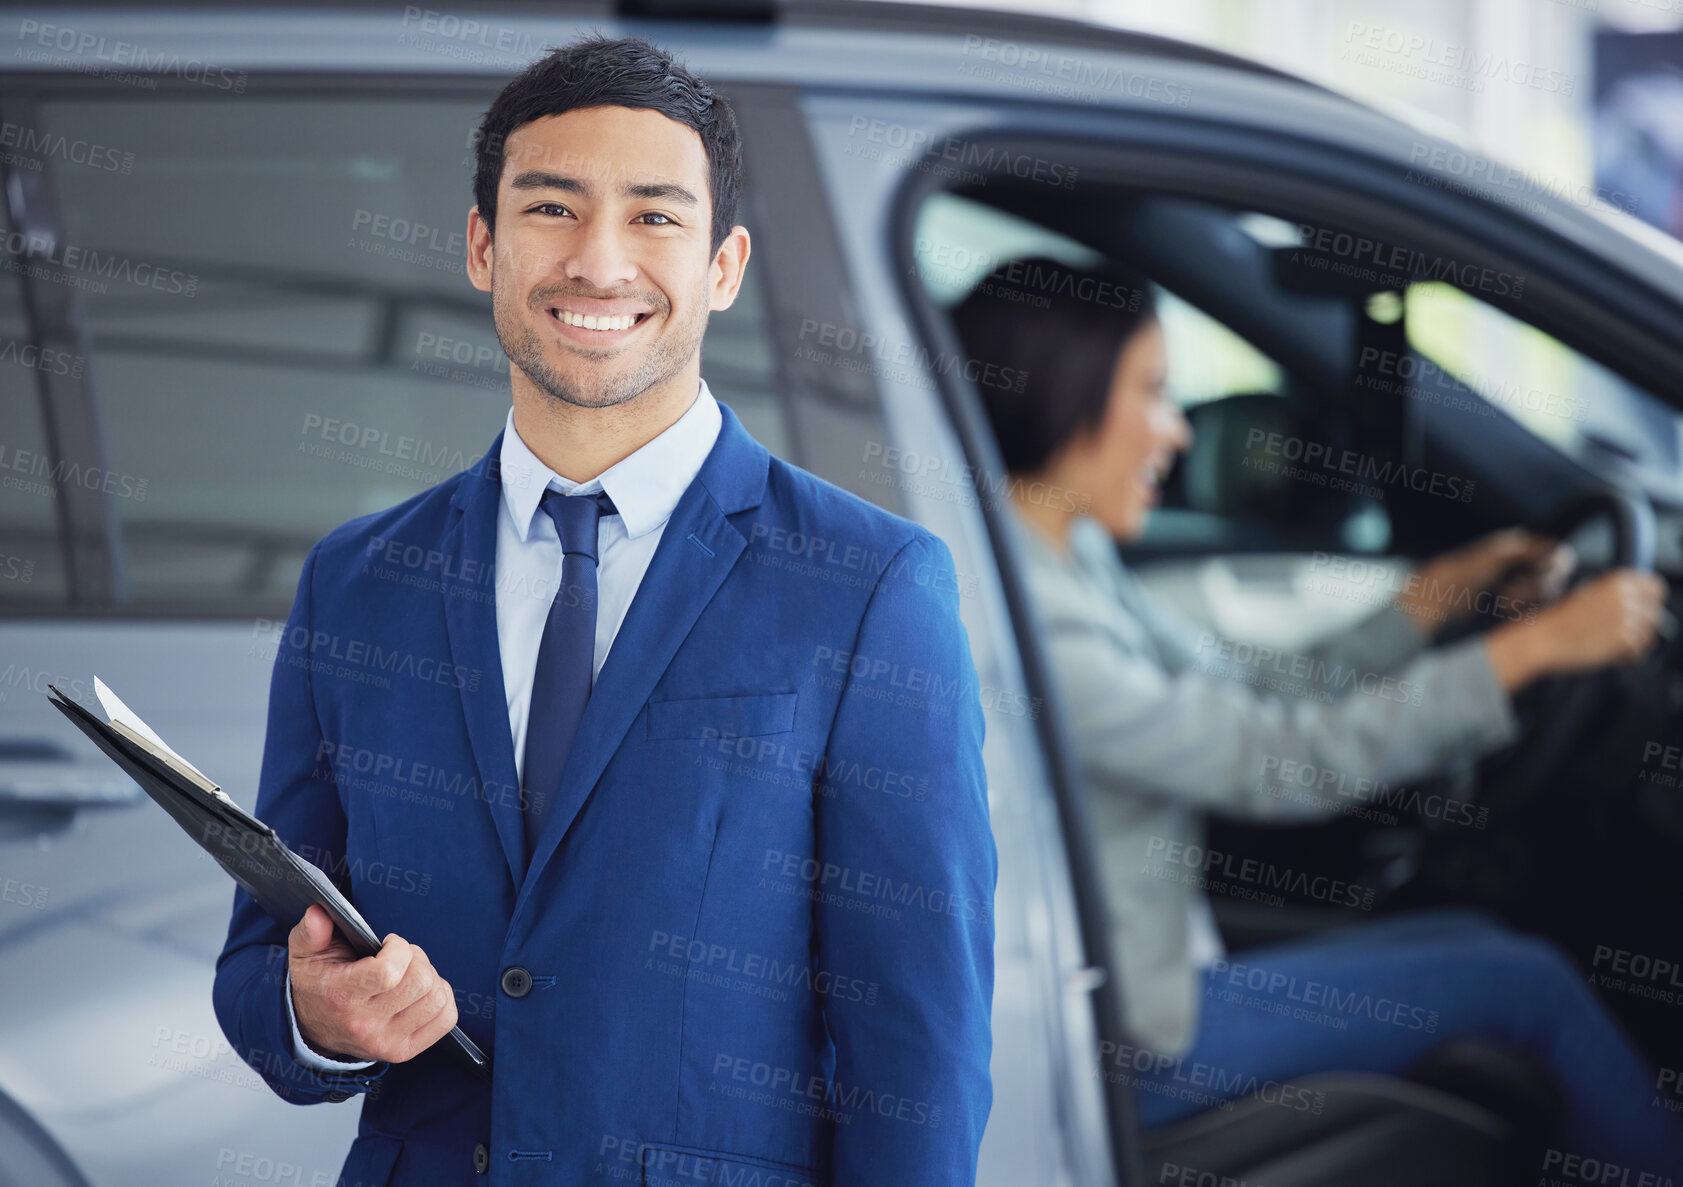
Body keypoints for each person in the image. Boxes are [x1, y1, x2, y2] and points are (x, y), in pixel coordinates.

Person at [213, 35, 995, 1187]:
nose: (598, 260)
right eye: (551, 207)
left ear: (723, 265)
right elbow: (254, 967)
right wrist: (316, 1012)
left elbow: (917, 1052)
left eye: (656, 217)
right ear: (484, 244)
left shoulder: (870, 585)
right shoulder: (359, 580)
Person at [948, 254, 1683, 1170]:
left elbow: (1247, 690)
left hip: (1143, 979)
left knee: (1479, 942)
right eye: (1152, 392)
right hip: (1124, 1048)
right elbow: (1270, 760)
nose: (1177, 432)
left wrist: (1428, 601)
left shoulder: (1056, 557)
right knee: (1524, 982)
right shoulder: (1021, 612)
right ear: (1063, 396)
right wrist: (1531, 649)